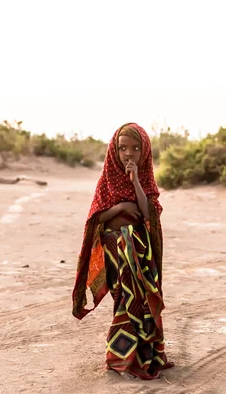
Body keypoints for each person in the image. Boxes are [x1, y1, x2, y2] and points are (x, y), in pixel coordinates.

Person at [72, 123, 174, 380]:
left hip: (138, 250)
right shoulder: (107, 181)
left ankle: (140, 356)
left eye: (136, 149)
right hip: (115, 250)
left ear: (145, 152)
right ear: (113, 151)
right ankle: (119, 358)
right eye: (123, 148)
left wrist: (136, 182)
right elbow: (96, 218)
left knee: (141, 301)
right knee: (123, 298)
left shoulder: (146, 179)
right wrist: (120, 208)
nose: (129, 154)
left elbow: (148, 213)